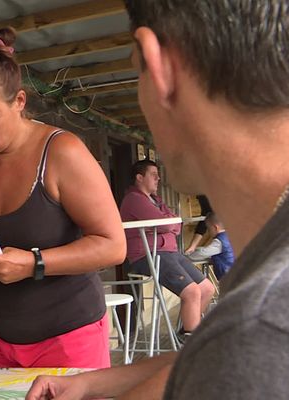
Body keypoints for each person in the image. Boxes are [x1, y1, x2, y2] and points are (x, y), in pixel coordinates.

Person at [26, 1, 289, 398]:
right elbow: (213, 355)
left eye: (135, 71)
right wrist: (91, 383)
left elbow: (240, 352)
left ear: (160, 67)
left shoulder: (259, 330)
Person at [0, 27, 126, 369]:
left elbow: (112, 245)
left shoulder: (62, 152)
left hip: (69, 334)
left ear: (19, 102)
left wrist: (33, 264)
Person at [120, 159, 214, 335]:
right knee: (192, 291)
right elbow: (167, 225)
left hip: (168, 253)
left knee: (207, 289)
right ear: (139, 178)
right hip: (148, 255)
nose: (158, 179)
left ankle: (187, 330)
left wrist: (168, 224)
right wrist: (167, 225)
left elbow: (176, 225)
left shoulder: (156, 200)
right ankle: (191, 342)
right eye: (153, 175)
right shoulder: (134, 199)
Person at [188, 212, 235, 280]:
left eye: (209, 229)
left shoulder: (219, 241)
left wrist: (188, 256)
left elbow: (203, 253)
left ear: (215, 227)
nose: (209, 232)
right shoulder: (229, 236)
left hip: (227, 275)